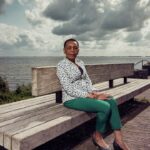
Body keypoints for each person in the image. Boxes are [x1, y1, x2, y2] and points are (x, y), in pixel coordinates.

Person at [56, 38, 129, 150]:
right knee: (105, 106)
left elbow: (87, 81)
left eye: (75, 48)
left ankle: (119, 140)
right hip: (71, 98)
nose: (72, 50)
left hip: (87, 94)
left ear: (78, 50)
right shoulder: (61, 66)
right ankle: (97, 137)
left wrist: (95, 92)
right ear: (64, 50)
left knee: (111, 100)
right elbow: (68, 88)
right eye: (69, 48)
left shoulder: (80, 62)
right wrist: (92, 96)